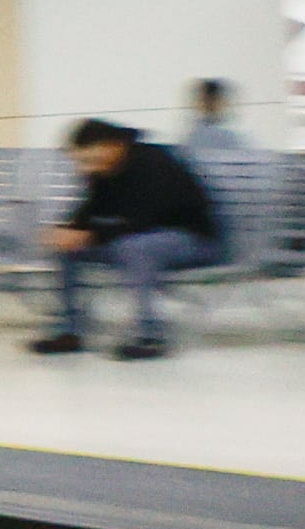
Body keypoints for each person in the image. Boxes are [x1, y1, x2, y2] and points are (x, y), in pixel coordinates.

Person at [36, 116, 224, 361]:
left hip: (192, 240)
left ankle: (150, 334)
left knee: (136, 247)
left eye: (89, 160)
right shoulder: (103, 167)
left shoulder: (154, 163)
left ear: (113, 146)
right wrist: (68, 230)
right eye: (81, 162)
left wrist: (90, 235)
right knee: (67, 246)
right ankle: (70, 330)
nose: (86, 168)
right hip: (136, 238)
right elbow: (92, 209)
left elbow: (143, 220)